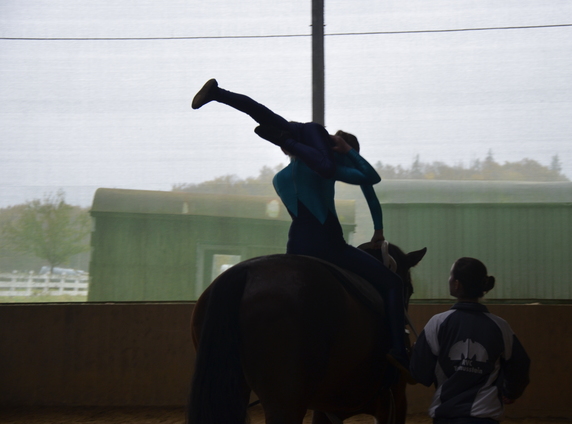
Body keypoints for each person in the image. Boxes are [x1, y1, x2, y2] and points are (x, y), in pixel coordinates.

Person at [192, 79, 411, 375]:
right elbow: (371, 178)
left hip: (295, 248)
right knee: (393, 283)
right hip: (329, 247)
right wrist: (348, 150)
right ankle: (399, 350)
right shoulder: (327, 170)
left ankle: (219, 93)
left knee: (264, 113)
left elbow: (261, 112)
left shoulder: (281, 178)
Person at [410, 258, 530, 423]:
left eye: (451, 276)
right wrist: (511, 392)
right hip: (486, 418)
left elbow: (420, 374)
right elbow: (520, 365)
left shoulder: (437, 323)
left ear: (457, 284)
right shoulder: (501, 327)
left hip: (447, 417)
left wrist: (415, 353)